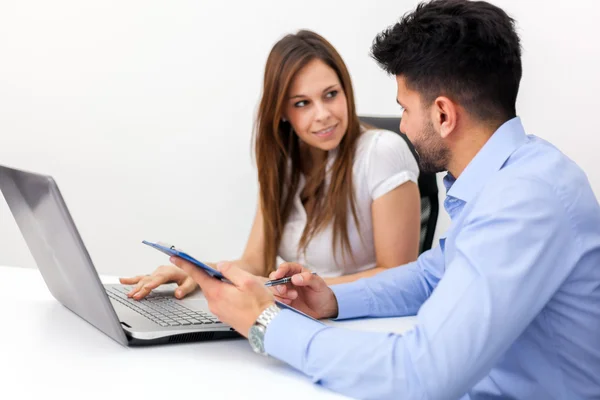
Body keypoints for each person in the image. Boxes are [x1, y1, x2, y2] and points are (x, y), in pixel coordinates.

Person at [169, 1, 600, 399]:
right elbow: (433, 276)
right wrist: (330, 300)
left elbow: (420, 372)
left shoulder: (524, 201)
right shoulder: (510, 177)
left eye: (405, 109)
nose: (403, 127)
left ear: (444, 115)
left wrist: (268, 325)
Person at [121, 30, 421, 300]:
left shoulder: (382, 152)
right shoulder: (285, 165)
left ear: (346, 91)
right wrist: (197, 273)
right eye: (302, 103)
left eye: (331, 95)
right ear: (282, 112)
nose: (323, 114)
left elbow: (398, 275)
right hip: (299, 313)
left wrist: (301, 288)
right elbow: (255, 263)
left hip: (365, 319)